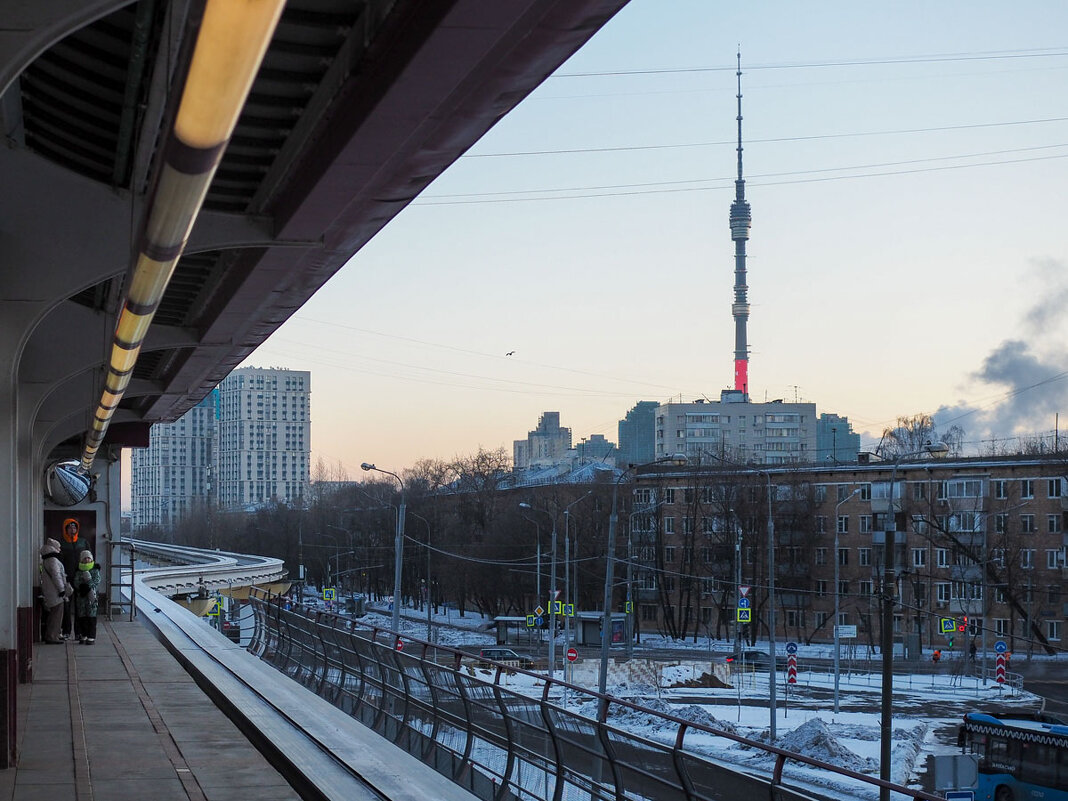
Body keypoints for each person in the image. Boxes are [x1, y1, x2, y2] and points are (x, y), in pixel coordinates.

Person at [39, 538, 69, 644]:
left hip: (50, 591)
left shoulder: (47, 560)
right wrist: (61, 590)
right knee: (56, 615)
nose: (60, 549)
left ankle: (53, 634)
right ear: (54, 548)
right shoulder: (53, 561)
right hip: (55, 592)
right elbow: (57, 576)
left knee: (54, 614)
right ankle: (52, 636)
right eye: (59, 547)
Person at [71, 549, 101, 644]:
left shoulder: (95, 570)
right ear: (81, 560)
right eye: (85, 558)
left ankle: (91, 636)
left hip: (92, 598)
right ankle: (84, 634)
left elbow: (97, 581)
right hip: (81, 598)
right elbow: (76, 582)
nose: (87, 560)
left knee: (91, 617)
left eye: (89, 558)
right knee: (82, 617)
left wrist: (88, 584)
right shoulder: (78, 571)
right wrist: (81, 586)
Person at [59, 518, 81, 639]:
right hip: (66, 579)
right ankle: (66, 630)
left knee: (79, 605)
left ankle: (79, 632)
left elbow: (88, 557)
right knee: (66, 606)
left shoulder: (82, 542)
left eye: (74, 527)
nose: (72, 529)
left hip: (80, 578)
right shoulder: (61, 543)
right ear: (65, 529)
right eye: (69, 527)